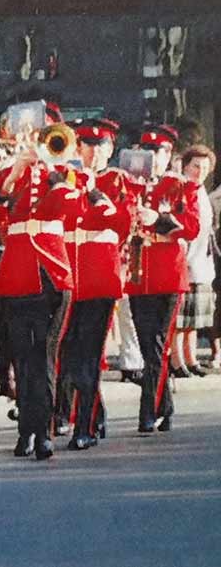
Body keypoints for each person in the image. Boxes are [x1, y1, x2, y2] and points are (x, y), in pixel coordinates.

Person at [0, 108, 81, 460]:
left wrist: (49, 168)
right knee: (22, 359)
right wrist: (16, 172)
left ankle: (46, 430)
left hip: (51, 275)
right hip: (16, 277)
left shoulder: (68, 175)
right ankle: (26, 430)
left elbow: (67, 207)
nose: (39, 140)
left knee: (45, 357)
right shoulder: (11, 173)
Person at [58, 119, 132, 450]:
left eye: (100, 146)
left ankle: (84, 426)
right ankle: (93, 414)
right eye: (87, 145)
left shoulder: (116, 181)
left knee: (87, 356)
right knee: (71, 355)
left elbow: (123, 222)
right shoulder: (64, 179)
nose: (93, 152)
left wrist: (95, 193)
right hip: (68, 278)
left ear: (110, 150)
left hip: (99, 279)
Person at [126, 125, 199, 434]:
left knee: (159, 343)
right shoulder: (130, 185)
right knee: (148, 346)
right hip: (139, 273)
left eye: (162, 152)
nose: (155, 158)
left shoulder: (181, 187)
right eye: (149, 152)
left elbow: (192, 227)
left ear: (170, 156)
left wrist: (159, 220)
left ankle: (149, 409)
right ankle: (164, 406)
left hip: (168, 273)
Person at [170, 145, 217, 378]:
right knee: (180, 318)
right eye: (196, 166)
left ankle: (191, 357)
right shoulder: (180, 190)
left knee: (195, 317)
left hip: (202, 262)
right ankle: (176, 360)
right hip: (184, 261)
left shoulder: (202, 193)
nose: (200, 171)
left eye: (205, 167)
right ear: (185, 166)